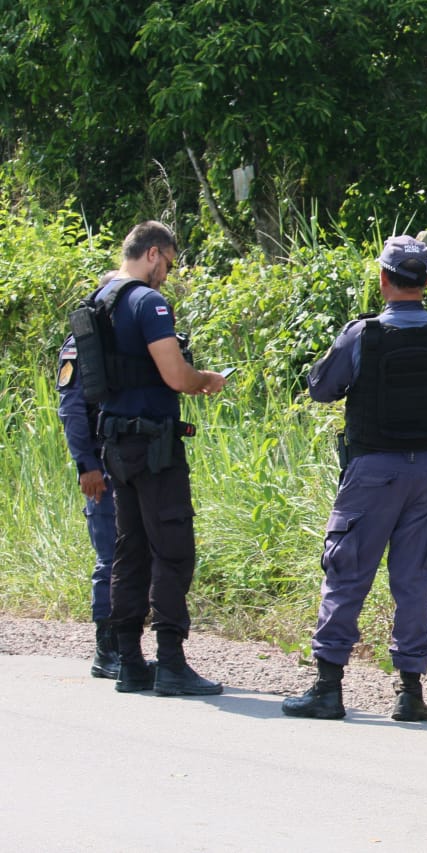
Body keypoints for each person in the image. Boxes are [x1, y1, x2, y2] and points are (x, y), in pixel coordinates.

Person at [283, 234, 427, 722]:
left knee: (347, 571)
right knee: (414, 579)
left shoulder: (361, 334)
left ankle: (328, 688)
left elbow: (321, 389)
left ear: (382, 279)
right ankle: (410, 693)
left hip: (372, 469)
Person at [95, 221, 227, 696]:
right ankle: (170, 662)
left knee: (129, 551)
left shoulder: (100, 299)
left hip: (115, 443)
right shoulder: (147, 302)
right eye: (168, 264)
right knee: (172, 550)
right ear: (152, 253)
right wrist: (205, 379)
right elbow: (175, 376)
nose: (167, 275)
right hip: (153, 446)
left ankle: (130, 662)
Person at [56, 271, 121, 679]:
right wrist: (87, 465)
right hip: (100, 463)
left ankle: (126, 646)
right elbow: (72, 410)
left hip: (129, 460)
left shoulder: (120, 341)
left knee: (133, 555)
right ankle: (106, 648)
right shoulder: (82, 345)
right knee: (110, 555)